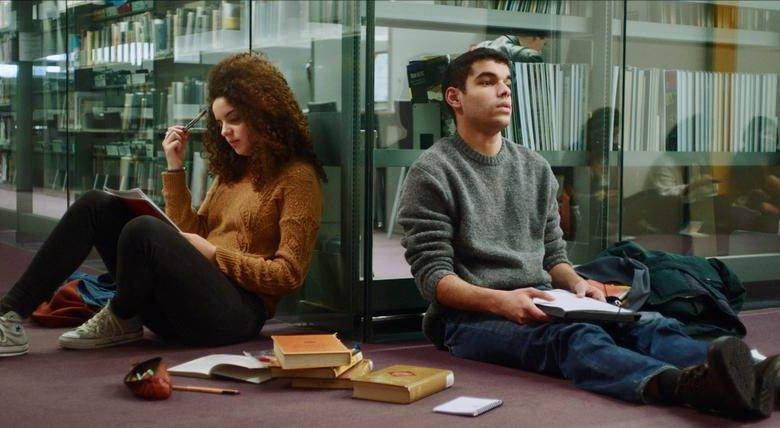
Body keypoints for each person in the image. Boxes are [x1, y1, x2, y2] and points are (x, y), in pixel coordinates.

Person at [397, 48, 778, 419]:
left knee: (648, 323)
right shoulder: (432, 172)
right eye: (487, 82)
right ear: (455, 98)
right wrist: (502, 302)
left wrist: (578, 284)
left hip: (546, 300)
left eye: (507, 82)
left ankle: (758, 377)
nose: (504, 91)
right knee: (576, 338)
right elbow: (434, 278)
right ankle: (688, 386)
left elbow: (553, 256)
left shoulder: (534, 167)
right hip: (468, 319)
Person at [0, 52, 325, 355]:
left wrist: (214, 254)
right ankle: (9, 315)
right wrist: (175, 168)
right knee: (96, 204)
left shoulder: (298, 177)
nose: (225, 131)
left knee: (143, 230)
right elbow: (190, 232)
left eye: (234, 119)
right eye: (219, 123)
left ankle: (122, 315)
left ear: (264, 113)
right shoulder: (234, 171)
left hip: (236, 314)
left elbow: (289, 275)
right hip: (186, 303)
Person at [473, 31, 548, 63]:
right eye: (544, 44)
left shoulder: (482, 45)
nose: (541, 50)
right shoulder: (530, 56)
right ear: (536, 37)